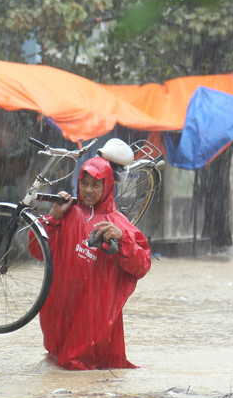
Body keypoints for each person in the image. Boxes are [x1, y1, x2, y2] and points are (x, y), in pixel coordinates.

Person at [31, 155, 151, 370]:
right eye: (84, 183)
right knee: (57, 366)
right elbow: (36, 250)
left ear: (107, 187)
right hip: (59, 310)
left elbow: (142, 265)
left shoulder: (118, 223)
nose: (88, 190)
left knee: (80, 371)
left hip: (93, 318)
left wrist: (122, 238)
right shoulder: (67, 212)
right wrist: (53, 217)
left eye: (95, 185)